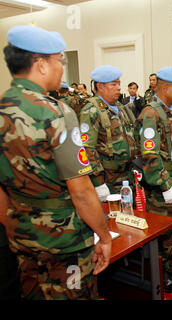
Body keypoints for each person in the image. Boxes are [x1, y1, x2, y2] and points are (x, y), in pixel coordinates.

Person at [0, 25, 111, 300]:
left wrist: (15, 225)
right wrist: (104, 237)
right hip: (65, 242)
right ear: (40, 64)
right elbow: (81, 190)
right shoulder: (57, 112)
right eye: (59, 61)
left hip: (21, 237)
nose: (62, 69)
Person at [136, 66, 172, 294]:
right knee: (160, 231)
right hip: (162, 185)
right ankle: (156, 273)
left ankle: (168, 265)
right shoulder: (150, 113)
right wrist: (164, 185)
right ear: (165, 87)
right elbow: (149, 155)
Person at [79, 65, 138, 199]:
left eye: (119, 84)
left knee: (129, 214)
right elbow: (87, 147)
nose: (119, 88)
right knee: (112, 217)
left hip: (126, 174)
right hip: (107, 178)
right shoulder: (91, 110)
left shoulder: (120, 107)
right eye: (114, 84)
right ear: (100, 86)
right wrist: (98, 182)